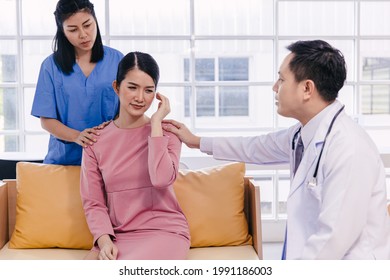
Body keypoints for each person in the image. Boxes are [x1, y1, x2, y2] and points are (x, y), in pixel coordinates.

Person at [163, 40, 390, 260]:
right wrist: (196, 141)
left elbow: (332, 239)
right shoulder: (303, 133)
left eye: (281, 80)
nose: (275, 87)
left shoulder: (348, 149)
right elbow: (255, 147)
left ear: (307, 88)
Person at [80, 51, 190, 260]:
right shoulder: (95, 141)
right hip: (117, 236)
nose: (140, 98)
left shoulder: (168, 133)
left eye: (149, 90)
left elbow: (161, 179)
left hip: (164, 233)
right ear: (116, 87)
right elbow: (93, 202)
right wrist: (104, 241)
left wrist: (156, 123)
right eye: (132, 87)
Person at [31, 0, 123, 165]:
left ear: (95, 21)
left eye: (87, 25)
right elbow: (46, 120)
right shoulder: (50, 66)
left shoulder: (117, 60)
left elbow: (125, 111)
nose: (83, 34)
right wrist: (77, 136)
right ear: (63, 31)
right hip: (63, 161)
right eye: (73, 29)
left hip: (108, 160)